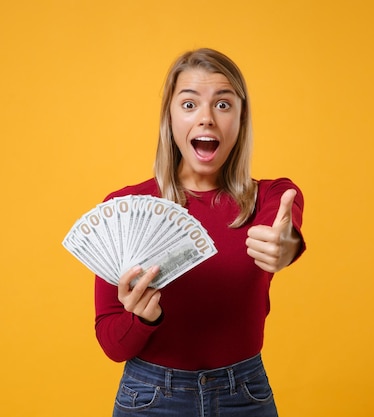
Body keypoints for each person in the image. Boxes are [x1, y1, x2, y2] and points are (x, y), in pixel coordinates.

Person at [94, 48, 306, 417]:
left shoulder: (269, 197)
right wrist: (141, 320)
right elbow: (112, 344)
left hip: (246, 395)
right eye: (189, 104)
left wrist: (285, 246)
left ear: (241, 118)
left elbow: (284, 227)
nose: (206, 118)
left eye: (223, 105)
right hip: (150, 399)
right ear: (170, 118)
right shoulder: (126, 207)